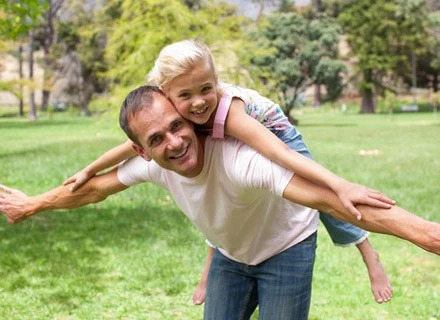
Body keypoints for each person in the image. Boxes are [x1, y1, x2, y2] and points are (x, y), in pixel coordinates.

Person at [1, 86, 439, 320]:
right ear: (141, 152)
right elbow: (93, 187)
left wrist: (427, 234)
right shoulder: (151, 166)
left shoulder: (240, 159)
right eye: (156, 138)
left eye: (178, 125)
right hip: (231, 255)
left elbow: (334, 200)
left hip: (287, 246)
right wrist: (32, 204)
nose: (175, 142)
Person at [63, 39, 394, 303]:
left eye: (206, 89)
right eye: (186, 95)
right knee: (217, 197)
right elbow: (132, 145)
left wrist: (341, 184)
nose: (199, 102)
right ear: (166, 95)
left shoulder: (228, 113)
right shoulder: (174, 118)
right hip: (243, 154)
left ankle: (368, 254)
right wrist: (89, 169)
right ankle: (210, 271)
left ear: (215, 81)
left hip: (278, 137)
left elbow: (276, 151)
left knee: (325, 199)